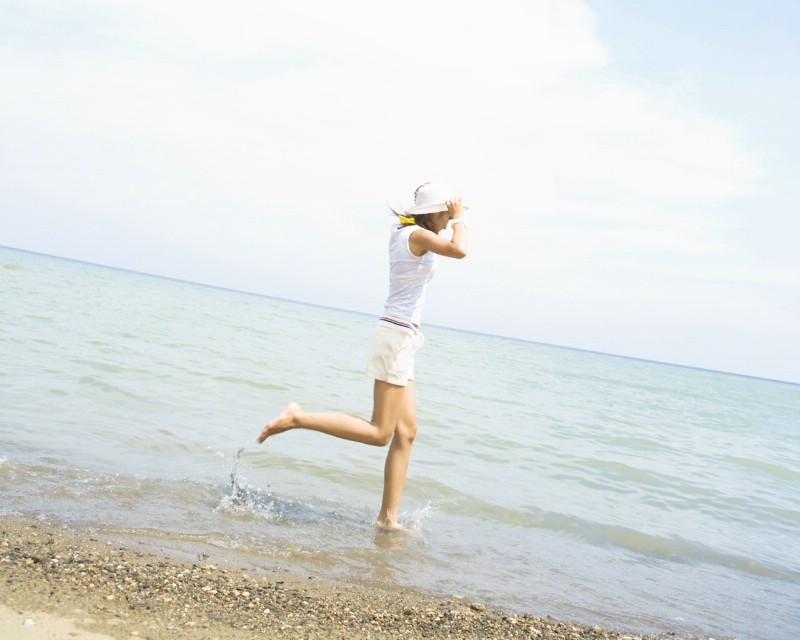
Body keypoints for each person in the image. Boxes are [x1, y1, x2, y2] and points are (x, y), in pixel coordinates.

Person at [257, 182, 468, 530]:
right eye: (446, 213)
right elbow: (459, 251)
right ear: (435, 212)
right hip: (395, 337)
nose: (449, 218)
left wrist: (450, 213)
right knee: (380, 432)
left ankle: (387, 518)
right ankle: (297, 418)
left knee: (406, 431)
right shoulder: (415, 234)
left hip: (404, 338)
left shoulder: (408, 232)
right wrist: (460, 220)